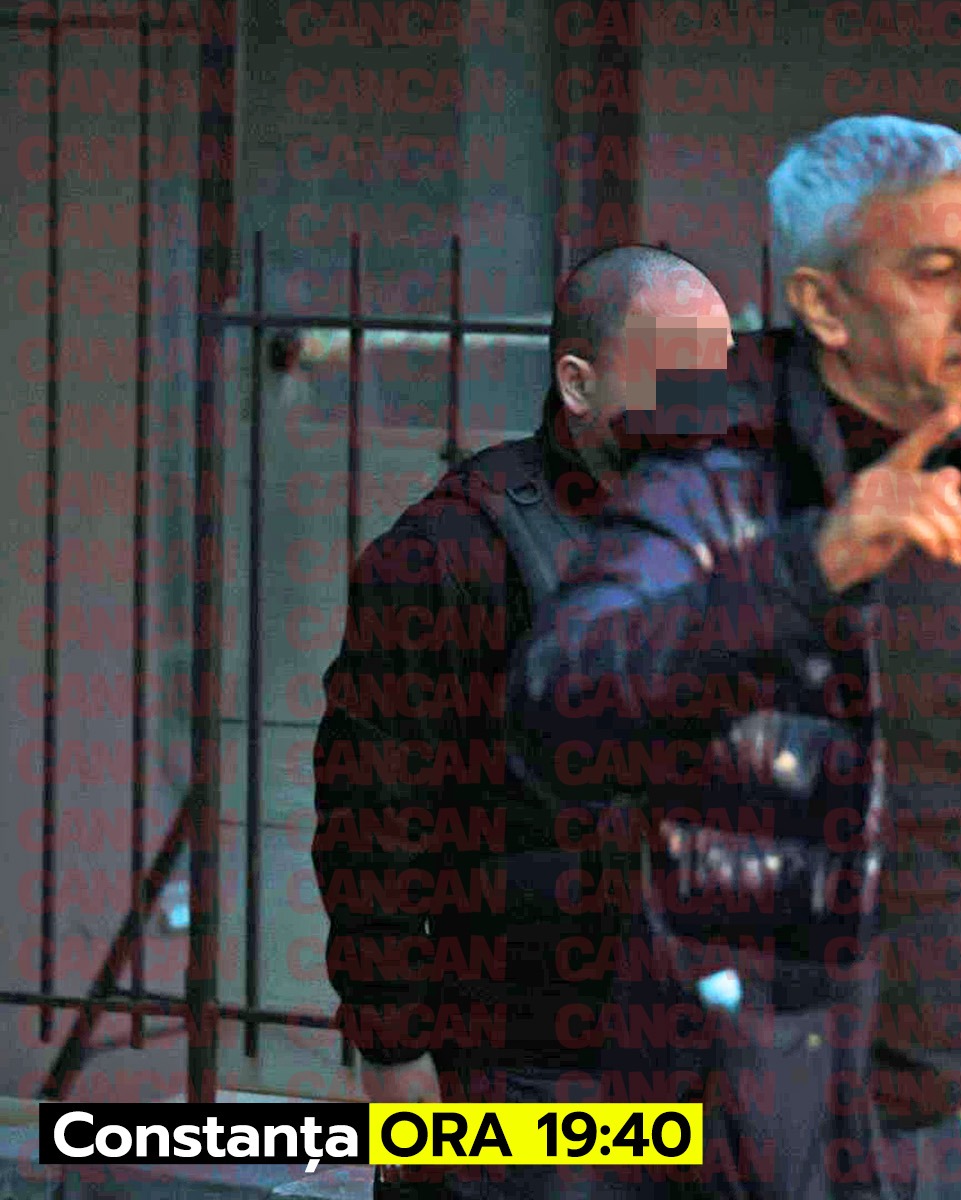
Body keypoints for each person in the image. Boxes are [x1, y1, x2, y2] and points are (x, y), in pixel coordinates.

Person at [509, 114, 961, 1200]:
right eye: (935, 271)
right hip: (718, 1139)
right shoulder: (708, 480)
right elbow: (557, 709)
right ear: (824, 304)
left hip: (916, 1142)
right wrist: (808, 570)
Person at [308, 243, 735, 1199]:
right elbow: (373, 820)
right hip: (523, 1071)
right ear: (578, 385)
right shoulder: (454, 553)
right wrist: (393, 1050)